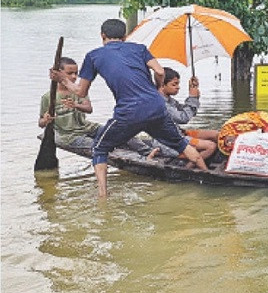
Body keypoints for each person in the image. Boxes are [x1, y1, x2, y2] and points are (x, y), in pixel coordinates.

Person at [50, 19, 207, 197]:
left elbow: (80, 91)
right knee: (180, 144)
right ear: (125, 37)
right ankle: (206, 176)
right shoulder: (139, 48)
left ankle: (103, 196)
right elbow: (161, 72)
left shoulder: (94, 56)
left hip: (129, 111)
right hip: (156, 107)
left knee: (100, 149)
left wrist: (62, 80)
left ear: (102, 36)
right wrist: (158, 86)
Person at [39, 56, 157, 156]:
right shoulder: (48, 97)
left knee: (121, 132)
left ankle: (148, 152)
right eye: (70, 74)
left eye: (76, 73)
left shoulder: (78, 91)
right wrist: (45, 120)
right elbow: (41, 123)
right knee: (104, 147)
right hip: (69, 136)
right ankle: (140, 159)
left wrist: (76, 105)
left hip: (87, 127)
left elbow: (89, 109)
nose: (74, 77)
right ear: (59, 74)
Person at [153, 67, 218, 161]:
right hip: (169, 141)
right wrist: (193, 97)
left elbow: (187, 111)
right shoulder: (161, 103)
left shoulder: (170, 100)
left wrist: (193, 91)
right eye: (174, 84)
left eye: (178, 83)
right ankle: (191, 168)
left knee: (216, 135)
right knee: (211, 146)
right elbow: (183, 118)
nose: (178, 87)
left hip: (179, 133)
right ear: (163, 86)